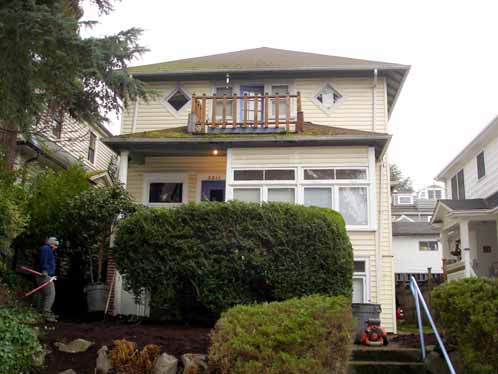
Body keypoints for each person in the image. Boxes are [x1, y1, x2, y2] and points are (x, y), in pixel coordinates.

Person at [37, 237, 58, 322]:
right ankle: (46, 314)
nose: (56, 247)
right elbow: (43, 261)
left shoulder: (47, 250)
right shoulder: (46, 249)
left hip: (45, 275)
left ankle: (39, 313)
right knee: (50, 294)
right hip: (45, 276)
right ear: (50, 243)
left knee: (43, 294)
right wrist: (44, 270)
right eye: (55, 245)